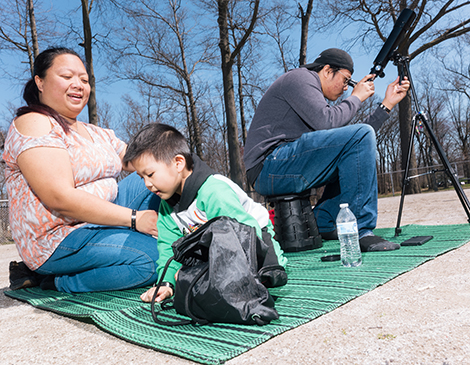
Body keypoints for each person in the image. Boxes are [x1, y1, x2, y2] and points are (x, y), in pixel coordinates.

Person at [4, 47, 161, 293]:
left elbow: (139, 162)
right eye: (67, 77)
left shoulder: (98, 133)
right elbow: (60, 197)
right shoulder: (35, 123)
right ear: (40, 82)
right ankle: (58, 281)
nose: (78, 84)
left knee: (162, 172)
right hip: (60, 236)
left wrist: (183, 164)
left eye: (84, 79)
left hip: (102, 219)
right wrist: (134, 219)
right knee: (155, 260)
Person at [243, 48, 411, 252]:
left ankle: (323, 221)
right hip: (268, 166)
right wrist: (357, 98)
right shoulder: (300, 78)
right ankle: (361, 231)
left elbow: (355, 145)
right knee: (358, 137)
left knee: (354, 146)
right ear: (328, 70)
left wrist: (386, 105)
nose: (346, 88)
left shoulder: (312, 98)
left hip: (280, 164)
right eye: (346, 80)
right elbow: (328, 123)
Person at [122, 123, 288, 303]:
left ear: (178, 163)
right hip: (213, 245)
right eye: (142, 178)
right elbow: (169, 250)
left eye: (151, 174)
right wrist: (167, 284)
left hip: (253, 233)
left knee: (269, 274)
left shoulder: (214, 192)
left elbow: (245, 232)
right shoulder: (165, 208)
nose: (146, 184)